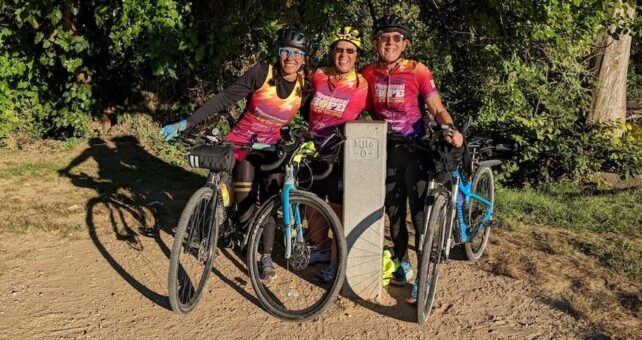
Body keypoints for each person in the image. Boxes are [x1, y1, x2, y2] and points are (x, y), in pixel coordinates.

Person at [160, 28, 310, 281]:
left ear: (304, 58)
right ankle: (238, 236)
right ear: (278, 52)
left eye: (297, 53)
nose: (290, 57)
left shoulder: (305, 86)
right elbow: (225, 98)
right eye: (285, 51)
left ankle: (264, 256)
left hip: (271, 149)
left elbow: (313, 116)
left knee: (271, 200)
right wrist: (187, 122)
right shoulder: (262, 73)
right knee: (244, 200)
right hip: (242, 145)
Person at [361, 15, 464, 304]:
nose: (390, 43)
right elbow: (361, 108)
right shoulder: (368, 73)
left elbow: (437, 107)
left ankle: (423, 275)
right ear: (375, 42)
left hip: (417, 150)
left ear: (405, 43)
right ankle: (402, 263)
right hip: (387, 149)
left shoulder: (417, 70)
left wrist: (450, 129)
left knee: (419, 215)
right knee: (393, 211)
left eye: (396, 38)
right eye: (384, 38)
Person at [302, 25, 369, 283]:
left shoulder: (363, 85)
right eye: (339, 49)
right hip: (313, 149)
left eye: (350, 51)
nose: (344, 55)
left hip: (340, 153)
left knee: (337, 206)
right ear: (332, 52)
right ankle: (319, 248)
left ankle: (336, 260)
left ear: (357, 55)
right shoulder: (318, 75)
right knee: (310, 199)